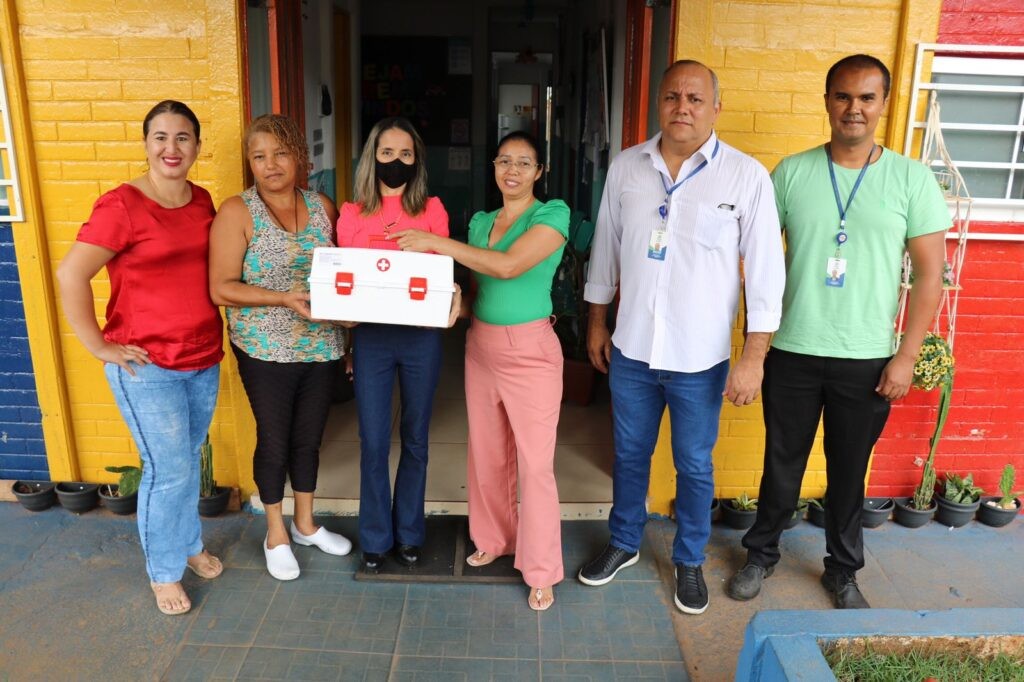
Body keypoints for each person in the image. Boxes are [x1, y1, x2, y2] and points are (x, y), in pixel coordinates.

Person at [727, 54, 949, 609]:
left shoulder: (910, 179)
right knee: (782, 461)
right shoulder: (792, 172)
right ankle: (761, 555)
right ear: (827, 101)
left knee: (850, 472)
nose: (854, 108)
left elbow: (929, 277)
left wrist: (904, 357)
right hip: (793, 350)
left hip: (867, 357)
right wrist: (750, 344)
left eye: (866, 98)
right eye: (843, 96)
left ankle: (843, 571)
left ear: (883, 104)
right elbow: (749, 256)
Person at [577, 60, 786, 615]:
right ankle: (623, 542)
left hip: (700, 358)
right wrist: (598, 323)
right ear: (658, 104)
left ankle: (689, 557)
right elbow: (605, 251)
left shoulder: (745, 177)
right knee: (629, 453)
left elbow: (766, 275)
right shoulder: (627, 167)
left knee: (694, 464)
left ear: (716, 107)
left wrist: (754, 358)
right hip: (633, 349)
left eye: (696, 98)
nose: (683, 107)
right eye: (673, 97)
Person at [56, 100, 225, 616]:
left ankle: (189, 545)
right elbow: (70, 274)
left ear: (197, 145)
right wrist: (99, 346)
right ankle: (163, 573)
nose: (171, 148)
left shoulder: (202, 201)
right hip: (147, 366)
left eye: (182, 138)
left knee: (187, 460)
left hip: (203, 355)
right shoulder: (121, 205)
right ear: (146, 143)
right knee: (166, 470)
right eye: (160, 137)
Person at [394, 131, 569, 611]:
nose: (511, 170)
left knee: (535, 466)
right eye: (503, 161)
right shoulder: (480, 221)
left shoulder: (551, 215)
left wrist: (434, 242)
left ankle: (540, 569)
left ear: (539, 172)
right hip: (481, 349)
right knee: (487, 454)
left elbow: (510, 267)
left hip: (531, 350)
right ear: (493, 166)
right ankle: (494, 539)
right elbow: (479, 289)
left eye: (524, 163)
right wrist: (456, 305)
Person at [209, 114, 351, 581]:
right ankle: (276, 533)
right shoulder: (237, 211)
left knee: (308, 439)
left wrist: (349, 327)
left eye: (280, 153)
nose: (270, 165)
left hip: (322, 343)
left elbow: (344, 276)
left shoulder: (323, 206)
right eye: (258, 156)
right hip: (264, 347)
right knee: (275, 439)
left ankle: (306, 523)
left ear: (299, 156)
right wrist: (283, 298)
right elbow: (221, 288)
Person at [335, 117, 458, 573]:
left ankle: (409, 534)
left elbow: (444, 271)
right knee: (372, 441)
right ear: (373, 157)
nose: (396, 162)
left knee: (416, 438)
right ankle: (374, 538)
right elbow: (343, 286)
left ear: (416, 160)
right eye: (388, 153)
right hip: (372, 340)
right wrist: (348, 341)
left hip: (421, 338)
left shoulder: (432, 209)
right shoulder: (351, 214)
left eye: (406, 154)